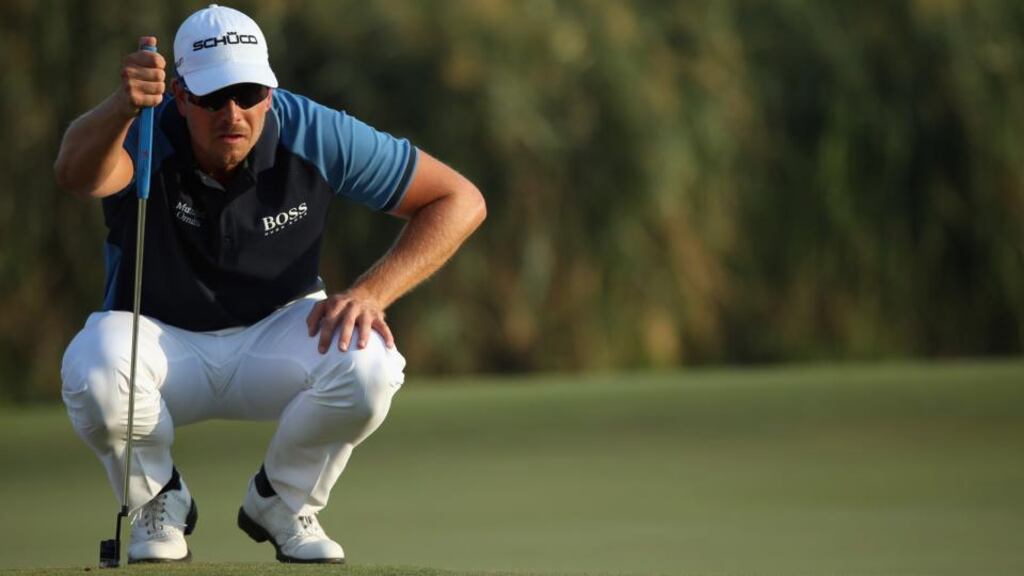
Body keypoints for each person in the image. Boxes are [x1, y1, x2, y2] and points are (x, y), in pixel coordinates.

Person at [53, 4, 485, 565]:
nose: (232, 113)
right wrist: (120, 107)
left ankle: (281, 501)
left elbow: (459, 200)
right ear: (180, 96)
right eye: (211, 98)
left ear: (271, 92)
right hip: (160, 341)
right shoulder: (143, 128)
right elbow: (76, 175)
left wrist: (370, 293)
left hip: (277, 335)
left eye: (250, 93)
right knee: (92, 370)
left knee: (371, 362)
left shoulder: (314, 131)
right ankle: (158, 500)